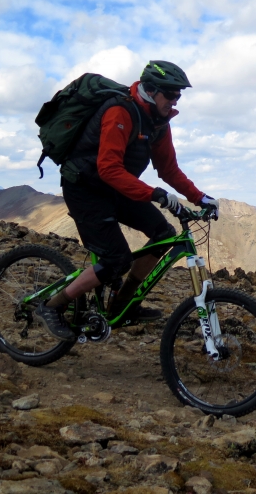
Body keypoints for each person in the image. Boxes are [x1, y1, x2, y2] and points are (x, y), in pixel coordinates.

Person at [34, 60, 218, 341]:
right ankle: (51, 307)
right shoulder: (120, 111)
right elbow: (108, 167)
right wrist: (153, 194)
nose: (175, 100)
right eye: (170, 94)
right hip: (84, 187)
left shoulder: (158, 123)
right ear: (151, 89)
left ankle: (122, 303)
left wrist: (200, 197)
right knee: (115, 261)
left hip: (115, 187)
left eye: (178, 95)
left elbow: (168, 169)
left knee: (163, 234)